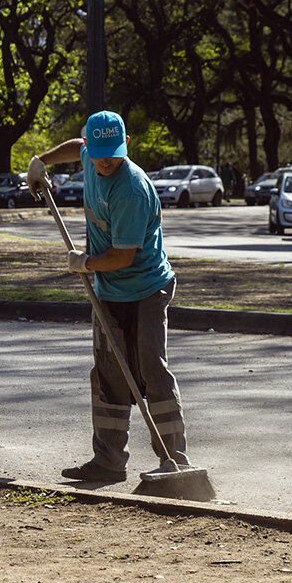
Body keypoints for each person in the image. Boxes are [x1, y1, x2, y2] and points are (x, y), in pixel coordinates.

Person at [26, 110, 191, 483]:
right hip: (108, 289)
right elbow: (76, 147)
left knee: (151, 371)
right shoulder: (91, 153)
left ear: (125, 145)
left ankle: (176, 461)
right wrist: (43, 161)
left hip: (146, 288)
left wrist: (84, 263)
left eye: (112, 153)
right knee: (108, 375)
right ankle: (108, 461)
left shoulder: (130, 188)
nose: (104, 160)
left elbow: (122, 256)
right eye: (98, 152)